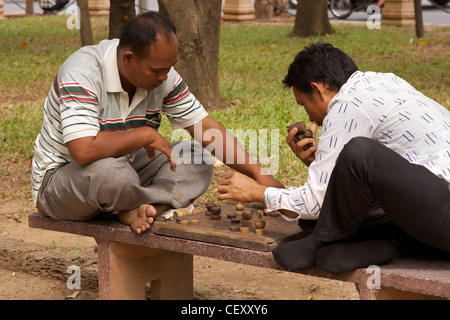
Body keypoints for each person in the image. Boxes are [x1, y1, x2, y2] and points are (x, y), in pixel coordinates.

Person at [31, 11, 283, 234]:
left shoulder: (162, 75)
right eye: (157, 71)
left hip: (126, 170)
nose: (164, 77)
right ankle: (146, 205)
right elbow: (83, 150)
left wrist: (259, 175)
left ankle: (140, 208)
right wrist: (145, 136)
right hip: (63, 181)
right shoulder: (82, 73)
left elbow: (206, 128)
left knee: (196, 157)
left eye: (169, 68)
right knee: (109, 174)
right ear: (128, 58)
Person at [218, 43, 450, 273]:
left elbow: (315, 203)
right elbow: (386, 177)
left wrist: (256, 192)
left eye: (303, 104)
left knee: (360, 153)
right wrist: (318, 162)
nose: (307, 114)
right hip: (432, 215)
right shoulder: (385, 81)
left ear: (317, 89)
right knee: (344, 185)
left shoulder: (346, 106)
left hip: (442, 210)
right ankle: (384, 244)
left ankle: (323, 241)